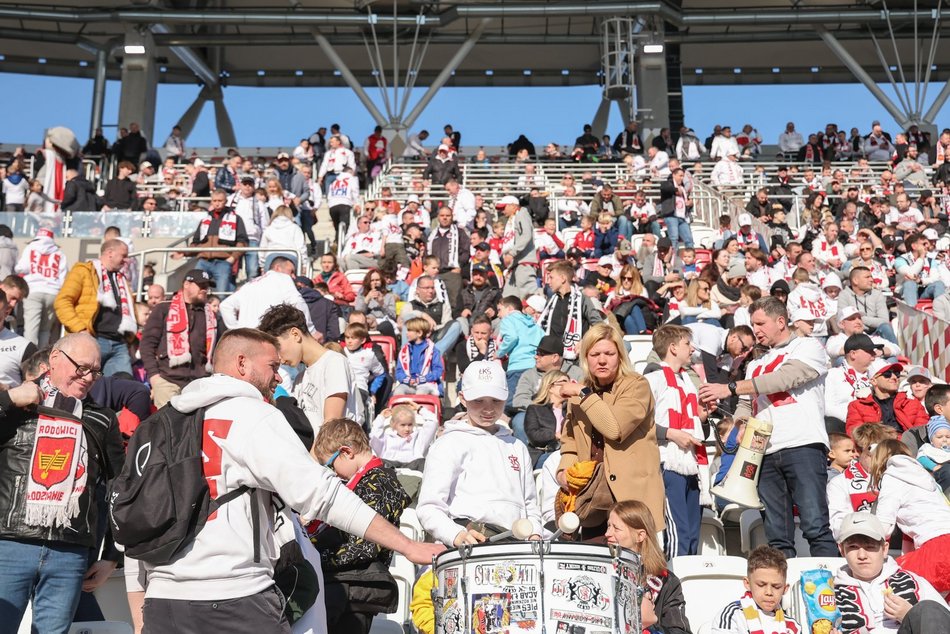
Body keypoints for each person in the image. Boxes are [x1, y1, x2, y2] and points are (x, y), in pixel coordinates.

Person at [139, 328, 442, 633]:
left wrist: (140, 615)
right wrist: (406, 545)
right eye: (273, 366)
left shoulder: (159, 424)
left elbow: (137, 518)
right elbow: (322, 495)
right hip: (233, 598)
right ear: (242, 363)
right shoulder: (253, 415)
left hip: (162, 602)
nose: (280, 378)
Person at [0, 333, 124, 633]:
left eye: (95, 371)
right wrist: (9, 399)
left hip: (70, 552)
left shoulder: (102, 419)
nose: (88, 377)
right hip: (9, 543)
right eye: (81, 367)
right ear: (54, 359)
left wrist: (112, 556)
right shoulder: (15, 404)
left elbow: (122, 488)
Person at [699, 296, 836, 557]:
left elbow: (784, 379)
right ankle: (781, 594)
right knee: (776, 534)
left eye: (761, 323)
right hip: (765, 451)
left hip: (802, 444)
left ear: (781, 321)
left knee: (815, 525)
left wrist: (729, 386)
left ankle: (828, 592)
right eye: (752, 324)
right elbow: (746, 404)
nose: (756, 330)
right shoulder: (754, 364)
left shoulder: (808, 346)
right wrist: (739, 426)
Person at [553, 322, 665, 537]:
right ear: (585, 358)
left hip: (631, 499)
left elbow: (613, 428)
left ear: (620, 356)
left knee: (633, 568)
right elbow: (570, 442)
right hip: (592, 500)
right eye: (594, 354)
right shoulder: (580, 392)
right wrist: (563, 472)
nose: (602, 360)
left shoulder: (637, 385)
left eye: (609, 353)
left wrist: (584, 394)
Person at [417, 360, 543, 546]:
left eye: (496, 400)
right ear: (462, 397)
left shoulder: (517, 446)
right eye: (478, 400)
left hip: (517, 547)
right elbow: (429, 506)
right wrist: (455, 534)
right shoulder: (448, 444)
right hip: (470, 547)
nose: (488, 409)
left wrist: (535, 533)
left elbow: (530, 504)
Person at [310, 418, 410, 634]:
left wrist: (315, 557)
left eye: (331, 464)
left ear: (346, 452)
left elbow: (365, 547)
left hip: (355, 587)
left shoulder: (380, 482)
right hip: (346, 583)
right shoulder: (368, 480)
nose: (333, 472)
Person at [645, 325, 707, 557]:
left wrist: (702, 417)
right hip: (667, 461)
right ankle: (674, 587)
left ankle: (689, 586)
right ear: (672, 348)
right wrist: (671, 433)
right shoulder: (652, 379)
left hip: (691, 462)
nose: (692, 349)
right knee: (678, 532)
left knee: (692, 533)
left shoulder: (687, 381)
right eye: (687, 344)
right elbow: (639, 423)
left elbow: (695, 425)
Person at [833, 511, 950, 634]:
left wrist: (910, 615)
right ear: (842, 550)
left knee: (928, 609)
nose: (862, 555)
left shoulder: (912, 581)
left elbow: (944, 622)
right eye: (853, 547)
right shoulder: (829, 593)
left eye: (870, 547)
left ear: (884, 549)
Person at [258, 304, 362, 434]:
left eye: (278, 348)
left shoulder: (334, 362)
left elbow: (331, 424)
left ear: (295, 334)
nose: (279, 358)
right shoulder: (300, 379)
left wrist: (308, 455)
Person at [869, 439, 950, 593]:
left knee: (900, 589)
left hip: (937, 547)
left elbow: (884, 527)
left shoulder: (893, 476)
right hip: (941, 540)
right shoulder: (926, 477)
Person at [139, 269, 223, 409]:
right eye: (201, 285)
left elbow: (219, 348)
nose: (205, 290)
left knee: (193, 429)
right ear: (186, 284)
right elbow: (147, 344)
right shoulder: (163, 309)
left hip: (199, 383)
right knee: (167, 428)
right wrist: (154, 376)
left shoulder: (211, 316)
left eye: (207, 286)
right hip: (167, 380)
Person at [605, 501, 690, 634]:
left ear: (640, 536)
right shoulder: (603, 570)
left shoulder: (666, 581)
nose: (607, 534)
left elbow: (680, 631)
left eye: (616, 528)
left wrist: (649, 627)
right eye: (608, 526)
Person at [54, 238, 136, 376]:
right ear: (110, 253)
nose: (126, 260)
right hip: (92, 339)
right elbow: (62, 302)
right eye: (124, 255)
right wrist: (80, 329)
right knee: (82, 388)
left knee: (124, 387)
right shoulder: (84, 270)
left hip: (119, 344)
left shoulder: (122, 279)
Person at [711, 545, 801, 634]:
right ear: (747, 583)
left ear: (785, 589)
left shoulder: (793, 626)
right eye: (761, 585)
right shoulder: (732, 616)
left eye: (776, 587)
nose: (769, 592)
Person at [827, 423, 891, 539]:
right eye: (872, 455)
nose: (879, 460)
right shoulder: (840, 482)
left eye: (883, 455)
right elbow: (837, 524)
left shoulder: (895, 478)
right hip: (857, 544)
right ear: (858, 452)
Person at [219, 257, 315, 332]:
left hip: (246, 339)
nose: (294, 276)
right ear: (278, 268)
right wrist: (311, 330)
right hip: (266, 339)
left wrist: (237, 330)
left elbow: (225, 306)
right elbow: (298, 302)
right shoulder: (283, 278)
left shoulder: (249, 284)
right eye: (291, 271)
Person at [538, 260, 605, 363]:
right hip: (553, 359)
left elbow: (600, 326)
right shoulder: (551, 301)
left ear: (563, 279)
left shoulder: (582, 299)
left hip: (576, 359)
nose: (548, 282)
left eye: (551, 278)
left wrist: (585, 341)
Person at [189, 189, 249, 293]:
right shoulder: (205, 220)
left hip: (223, 262)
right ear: (211, 202)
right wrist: (185, 252)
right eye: (215, 200)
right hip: (204, 261)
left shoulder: (235, 219)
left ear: (225, 201)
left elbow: (242, 241)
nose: (217, 203)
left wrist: (233, 257)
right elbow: (196, 241)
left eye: (220, 201)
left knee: (221, 294)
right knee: (195, 290)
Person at [16, 227, 67, 348]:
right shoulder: (59, 253)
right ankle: (42, 360)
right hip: (53, 293)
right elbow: (63, 277)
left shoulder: (30, 248)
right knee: (45, 330)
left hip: (33, 291)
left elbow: (20, 268)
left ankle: (29, 361)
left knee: (30, 329)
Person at [824, 333, 878, 433]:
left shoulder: (878, 376)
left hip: (874, 426)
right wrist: (855, 419)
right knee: (830, 423)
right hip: (845, 425)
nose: (874, 355)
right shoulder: (833, 375)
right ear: (853, 354)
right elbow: (828, 407)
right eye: (869, 351)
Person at [496, 295, 543, 407]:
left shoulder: (508, 319)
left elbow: (512, 337)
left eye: (499, 310)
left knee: (511, 404)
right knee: (533, 401)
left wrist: (498, 353)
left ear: (510, 309)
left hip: (517, 367)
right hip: (534, 367)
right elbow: (542, 339)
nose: (498, 315)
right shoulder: (533, 323)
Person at [846, 359, 914, 436]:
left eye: (896, 373)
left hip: (906, 446)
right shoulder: (857, 406)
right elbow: (855, 436)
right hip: (874, 446)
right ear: (873, 381)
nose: (894, 377)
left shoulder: (912, 403)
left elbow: (922, 434)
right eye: (887, 374)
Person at [369, 403, 439, 469]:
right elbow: (375, 436)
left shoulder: (418, 438)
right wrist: (381, 417)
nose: (407, 429)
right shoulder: (387, 439)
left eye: (410, 425)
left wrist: (420, 408)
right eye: (403, 425)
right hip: (391, 467)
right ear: (394, 425)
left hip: (413, 467)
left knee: (422, 462)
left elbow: (433, 422)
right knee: (378, 462)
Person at [523, 370, 569, 468]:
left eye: (569, 383)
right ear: (550, 387)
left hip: (566, 452)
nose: (567, 387)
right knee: (555, 460)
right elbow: (533, 436)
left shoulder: (571, 410)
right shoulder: (534, 409)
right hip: (543, 453)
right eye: (563, 383)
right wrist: (556, 436)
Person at [497, 195, 538, 299]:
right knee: (508, 298)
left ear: (513, 206)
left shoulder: (522, 215)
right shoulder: (513, 219)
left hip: (524, 262)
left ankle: (534, 315)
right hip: (515, 264)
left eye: (504, 207)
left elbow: (526, 235)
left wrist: (512, 253)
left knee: (529, 297)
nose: (502, 211)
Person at [393, 317, 444, 397]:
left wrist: (423, 379)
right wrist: (407, 380)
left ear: (419, 333)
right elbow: (399, 372)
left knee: (421, 393)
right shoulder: (404, 351)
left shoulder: (432, 350)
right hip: (409, 384)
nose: (406, 333)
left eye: (409, 330)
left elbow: (438, 371)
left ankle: (420, 410)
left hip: (428, 384)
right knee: (398, 392)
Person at [915, 415, 950, 495]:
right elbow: (921, 458)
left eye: (948, 437)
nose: (944, 439)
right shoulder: (928, 448)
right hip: (940, 472)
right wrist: (933, 466)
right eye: (939, 437)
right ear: (931, 440)